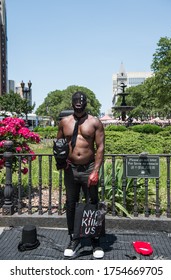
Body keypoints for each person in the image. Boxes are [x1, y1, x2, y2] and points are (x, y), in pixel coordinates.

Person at [56, 91, 105, 259]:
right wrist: (61, 160)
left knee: (93, 204)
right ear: (72, 103)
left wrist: (95, 171)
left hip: (89, 168)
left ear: (86, 104)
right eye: (76, 101)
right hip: (71, 169)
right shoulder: (64, 122)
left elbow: (100, 147)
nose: (79, 104)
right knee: (71, 204)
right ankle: (74, 238)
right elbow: (59, 144)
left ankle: (95, 241)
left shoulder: (95, 122)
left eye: (82, 101)